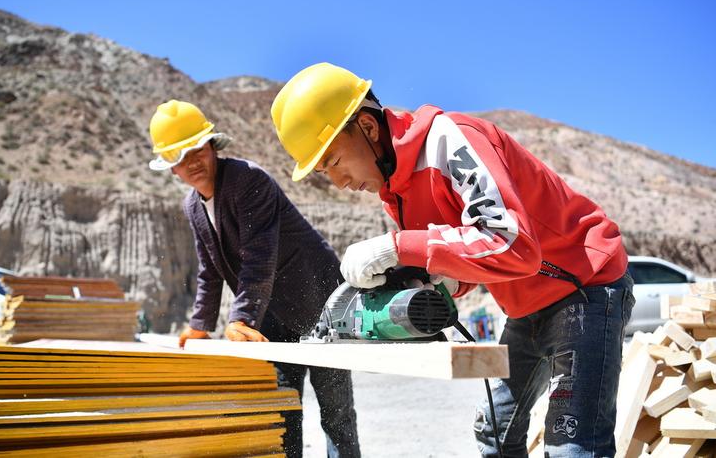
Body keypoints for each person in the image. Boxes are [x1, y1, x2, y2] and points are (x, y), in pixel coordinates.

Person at [270, 63, 635, 457]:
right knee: (494, 432)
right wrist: (420, 283)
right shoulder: (397, 192)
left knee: (571, 446)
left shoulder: (448, 140)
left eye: (335, 161)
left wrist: (400, 247)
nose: (338, 181)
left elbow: (511, 244)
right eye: (325, 172)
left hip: (584, 288)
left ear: (368, 128)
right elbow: (465, 267)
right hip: (526, 305)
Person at [147, 99, 360, 458]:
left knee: (336, 415)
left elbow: (260, 257)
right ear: (171, 169)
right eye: (180, 158)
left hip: (321, 304)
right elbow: (210, 270)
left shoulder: (248, 180)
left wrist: (241, 317)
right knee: (281, 413)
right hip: (271, 318)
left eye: (197, 149)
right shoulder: (193, 207)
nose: (192, 162)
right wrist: (200, 324)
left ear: (212, 145)